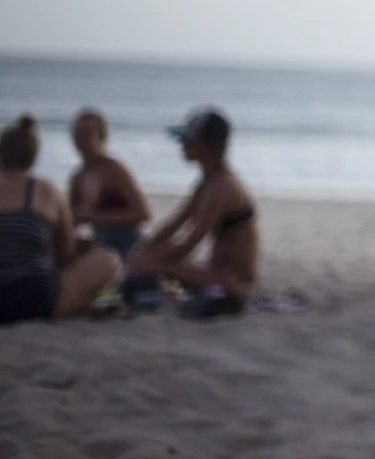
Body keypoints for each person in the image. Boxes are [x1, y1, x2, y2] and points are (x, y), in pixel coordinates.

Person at [127, 107, 259, 316]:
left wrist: (155, 264)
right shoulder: (209, 180)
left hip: (234, 282)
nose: (182, 145)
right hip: (217, 271)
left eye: (187, 140)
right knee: (152, 253)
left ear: (206, 146)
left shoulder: (222, 187)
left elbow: (192, 241)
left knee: (156, 265)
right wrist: (146, 248)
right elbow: (175, 222)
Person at [0, 114, 122, 324]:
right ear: (34, 157)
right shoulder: (46, 191)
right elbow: (67, 253)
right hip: (36, 299)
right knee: (108, 259)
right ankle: (80, 303)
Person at [67, 109, 151, 262]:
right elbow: (71, 221)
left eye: (86, 134)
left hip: (127, 243)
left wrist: (94, 217)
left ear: (101, 136)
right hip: (101, 242)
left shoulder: (114, 170)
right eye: (76, 133)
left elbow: (142, 214)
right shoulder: (78, 176)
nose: (80, 140)